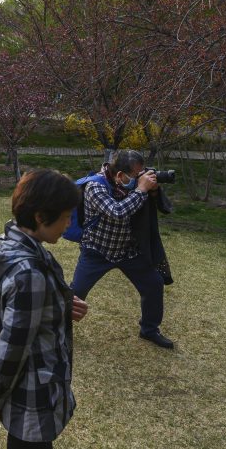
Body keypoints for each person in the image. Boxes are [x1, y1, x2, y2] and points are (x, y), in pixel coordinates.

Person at [0, 169, 89, 449]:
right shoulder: (28, 273)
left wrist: (60, 303)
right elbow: (13, 343)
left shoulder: (14, 246)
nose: (68, 224)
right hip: (33, 385)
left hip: (33, 380)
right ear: (41, 217)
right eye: (65, 217)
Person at [69, 149, 173, 348]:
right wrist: (141, 190)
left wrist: (152, 191)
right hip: (97, 250)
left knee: (153, 284)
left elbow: (160, 207)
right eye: (135, 175)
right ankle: (56, 327)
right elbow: (117, 212)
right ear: (119, 175)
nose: (139, 179)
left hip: (128, 251)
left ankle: (149, 329)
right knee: (76, 293)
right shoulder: (95, 186)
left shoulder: (133, 184)